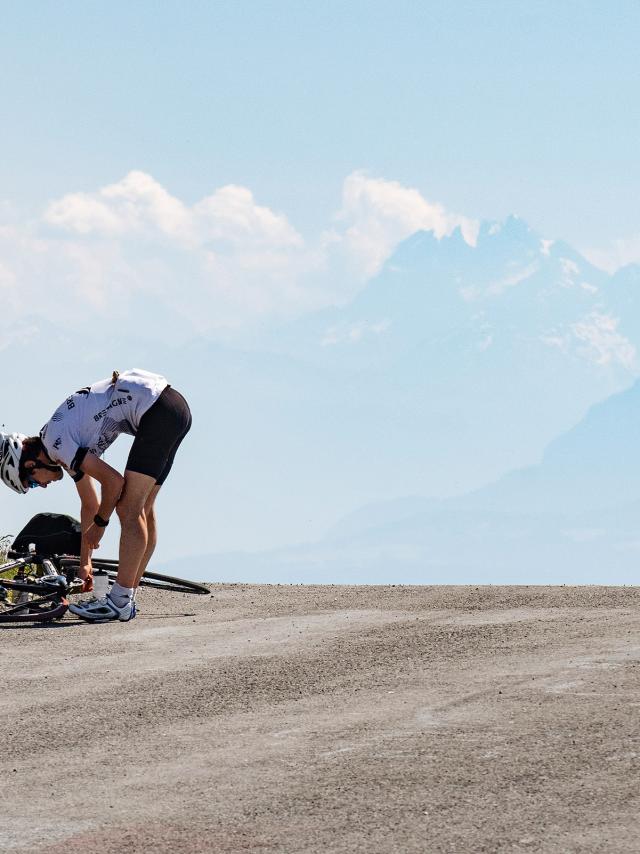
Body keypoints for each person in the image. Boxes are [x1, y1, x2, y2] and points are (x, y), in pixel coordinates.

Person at [0, 368, 192, 623]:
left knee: (128, 508)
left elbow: (113, 483)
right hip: (172, 407)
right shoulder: (56, 444)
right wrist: (85, 563)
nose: (43, 488)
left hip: (156, 411)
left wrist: (100, 525)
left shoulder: (58, 445)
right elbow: (89, 503)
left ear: (31, 465)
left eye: (33, 484)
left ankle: (120, 601)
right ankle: (126, 597)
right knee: (143, 507)